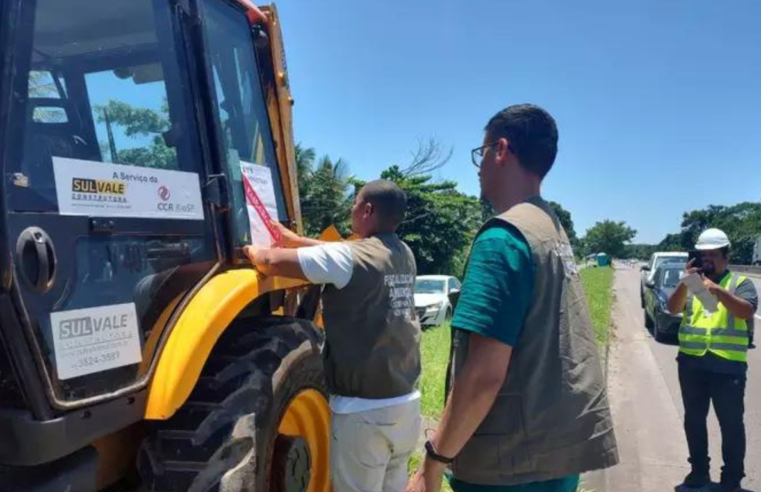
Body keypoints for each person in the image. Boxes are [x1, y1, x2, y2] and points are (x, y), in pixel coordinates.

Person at [407, 104, 618, 492]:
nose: (478, 166)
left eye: (481, 153)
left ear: (501, 150)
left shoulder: (502, 238)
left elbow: (484, 374)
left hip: (508, 466)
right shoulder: (551, 227)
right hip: (553, 457)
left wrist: (432, 464)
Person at [244, 179, 421, 492]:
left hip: (364, 411)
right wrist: (296, 240)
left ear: (367, 210)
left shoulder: (349, 259)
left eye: (354, 203)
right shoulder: (403, 253)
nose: (351, 209)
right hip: (405, 402)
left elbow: (270, 262)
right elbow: (341, 252)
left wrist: (248, 248)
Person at [667, 228, 758, 492]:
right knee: (694, 421)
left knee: (731, 425)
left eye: (713, 255)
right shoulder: (694, 283)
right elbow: (673, 308)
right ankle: (698, 472)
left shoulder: (739, 283)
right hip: (692, 364)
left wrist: (717, 289)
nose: (707, 260)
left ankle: (731, 479)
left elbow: (745, 311)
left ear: (726, 257)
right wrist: (686, 281)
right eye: (703, 255)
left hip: (727, 367)